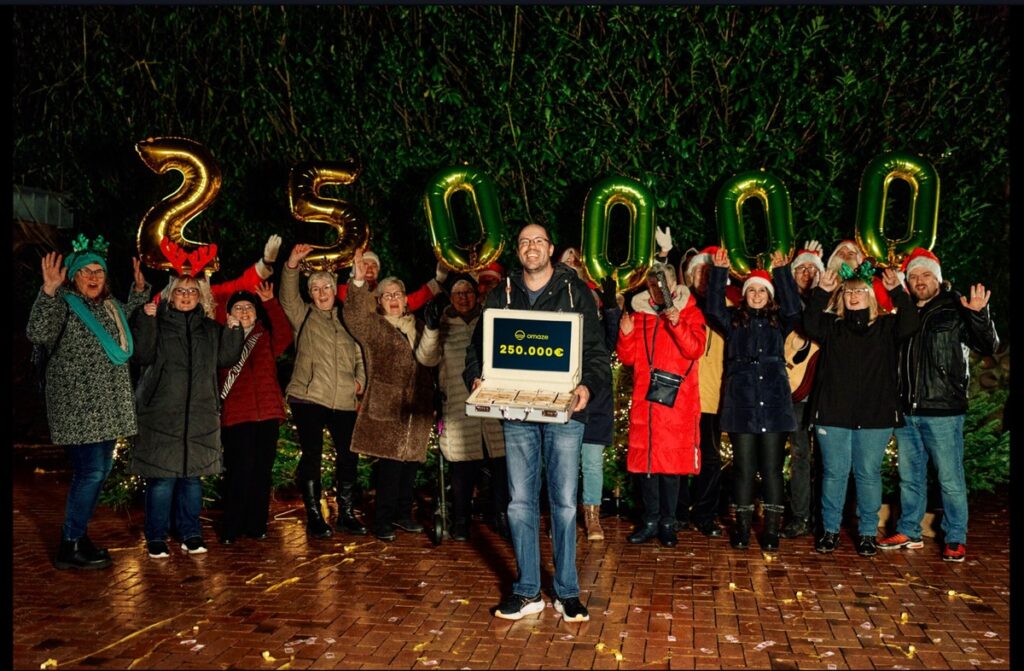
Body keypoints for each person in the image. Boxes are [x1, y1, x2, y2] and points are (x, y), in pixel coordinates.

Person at [464, 221, 610, 623]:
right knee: (519, 503)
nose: (531, 247)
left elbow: (596, 353)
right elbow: (478, 350)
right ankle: (527, 590)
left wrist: (587, 387)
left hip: (565, 411)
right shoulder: (502, 294)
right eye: (524, 241)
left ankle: (567, 592)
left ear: (550, 249)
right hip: (516, 412)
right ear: (518, 251)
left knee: (563, 504)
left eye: (538, 241)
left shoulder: (575, 292)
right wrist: (476, 378)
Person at [27, 236, 150, 569]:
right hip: (80, 409)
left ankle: (78, 537)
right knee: (91, 472)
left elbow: (128, 318)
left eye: (99, 271)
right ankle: (70, 545)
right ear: (74, 276)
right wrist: (48, 290)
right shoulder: (64, 303)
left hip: (109, 407)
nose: (94, 277)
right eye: (86, 271)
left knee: (100, 471)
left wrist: (140, 291)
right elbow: (38, 332)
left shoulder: (110, 306)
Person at [878, 248, 999, 562]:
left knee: (949, 478)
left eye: (926, 275)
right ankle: (909, 530)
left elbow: (988, 345)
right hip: (907, 411)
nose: (920, 281)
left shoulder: (956, 308)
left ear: (938, 279)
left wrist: (979, 315)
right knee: (909, 477)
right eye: (914, 276)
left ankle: (955, 537)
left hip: (943, 410)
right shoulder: (903, 312)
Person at [802, 260, 919, 557]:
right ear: (842, 298)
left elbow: (911, 323)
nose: (854, 297)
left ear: (871, 296)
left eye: (860, 292)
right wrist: (821, 292)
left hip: (875, 415)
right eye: (848, 292)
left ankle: (867, 533)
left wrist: (897, 291)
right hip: (833, 413)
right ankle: (830, 531)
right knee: (834, 474)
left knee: (867, 474)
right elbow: (809, 323)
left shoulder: (887, 327)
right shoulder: (832, 326)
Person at [131, 272, 244, 558]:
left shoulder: (209, 329)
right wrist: (145, 320)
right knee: (162, 479)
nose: (186, 296)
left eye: (192, 291)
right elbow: (142, 355)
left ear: (200, 297)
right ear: (170, 296)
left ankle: (191, 533)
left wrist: (233, 332)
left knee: (192, 480)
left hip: (199, 416)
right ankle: (156, 536)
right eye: (180, 291)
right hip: (161, 415)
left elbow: (226, 359)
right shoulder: (158, 322)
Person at [705, 249, 801, 552]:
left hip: (773, 405)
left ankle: (771, 530)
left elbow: (794, 309)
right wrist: (719, 273)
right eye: (752, 290)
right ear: (744, 295)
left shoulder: (779, 321)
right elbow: (713, 309)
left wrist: (782, 273)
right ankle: (743, 529)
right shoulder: (733, 321)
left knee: (772, 469)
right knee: (743, 468)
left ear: (769, 295)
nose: (757, 295)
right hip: (742, 405)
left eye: (762, 290)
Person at [344, 249, 438, 540]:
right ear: (379, 302)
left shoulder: (418, 326)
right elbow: (353, 316)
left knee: (410, 463)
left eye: (398, 294)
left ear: (406, 299)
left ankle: (402, 514)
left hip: (417, 405)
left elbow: (431, 359)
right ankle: (382, 519)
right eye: (387, 295)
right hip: (388, 404)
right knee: (391, 466)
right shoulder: (374, 326)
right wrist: (357, 281)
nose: (394, 299)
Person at [280, 244, 368, 539]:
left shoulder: (347, 318)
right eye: (315, 288)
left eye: (326, 287)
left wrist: (360, 381)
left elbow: (360, 353)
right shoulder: (302, 315)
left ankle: (346, 514)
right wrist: (292, 264)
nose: (321, 292)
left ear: (334, 289)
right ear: (310, 293)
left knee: (349, 455)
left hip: (343, 397)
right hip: (308, 396)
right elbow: (287, 296)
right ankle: (315, 517)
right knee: (312, 454)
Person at [617, 262, 705, 547]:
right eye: (654, 284)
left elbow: (695, 349)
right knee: (647, 465)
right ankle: (650, 521)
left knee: (671, 466)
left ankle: (668, 522)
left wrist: (677, 323)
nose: (658, 288)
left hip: (677, 402)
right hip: (646, 401)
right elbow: (628, 358)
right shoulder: (640, 314)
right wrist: (625, 334)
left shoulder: (690, 312)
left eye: (663, 283)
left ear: (673, 284)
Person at [419, 275, 509, 541]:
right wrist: (431, 328)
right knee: (463, 466)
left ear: (476, 294)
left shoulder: (489, 317)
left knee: (501, 462)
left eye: (468, 291)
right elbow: (426, 358)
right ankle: (461, 520)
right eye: (458, 292)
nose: (464, 297)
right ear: (450, 296)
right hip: (459, 405)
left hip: (493, 403)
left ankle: (502, 516)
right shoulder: (443, 322)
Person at [217, 283, 293, 544]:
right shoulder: (222, 338)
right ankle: (231, 527)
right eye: (238, 308)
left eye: (249, 307)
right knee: (238, 471)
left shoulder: (265, 337)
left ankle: (256, 525)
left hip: (267, 414)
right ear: (229, 314)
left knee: (262, 471)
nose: (244, 312)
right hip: (238, 415)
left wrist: (270, 302)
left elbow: (285, 334)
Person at [674, 246, 741, 538]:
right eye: (699, 271)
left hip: (712, 395)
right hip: (682, 395)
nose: (703, 277)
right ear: (689, 275)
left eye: (709, 273)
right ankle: (677, 513)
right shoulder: (680, 304)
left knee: (710, 459)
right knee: (678, 455)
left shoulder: (730, 307)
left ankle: (705, 514)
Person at [558, 247, 621, 542]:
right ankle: (563, 516)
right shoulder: (555, 302)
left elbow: (611, 341)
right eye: (567, 260)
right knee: (563, 462)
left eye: (577, 260)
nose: (572, 264)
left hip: (596, 398)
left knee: (592, 461)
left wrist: (610, 307)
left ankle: (592, 516)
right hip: (565, 395)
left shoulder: (595, 308)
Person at [781, 241, 826, 539]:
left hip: (826, 395)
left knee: (827, 460)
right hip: (796, 394)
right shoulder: (784, 305)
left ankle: (824, 517)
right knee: (799, 456)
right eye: (801, 269)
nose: (807, 274)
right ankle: (799, 517)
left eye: (813, 268)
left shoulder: (831, 303)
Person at [152, 234, 283, 322]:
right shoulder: (162, 300)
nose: (189, 284)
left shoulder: (214, 297)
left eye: (196, 277)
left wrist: (266, 263)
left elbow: (243, 285)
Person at [336, 249, 445, 311]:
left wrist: (438, 281)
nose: (369, 269)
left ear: (378, 271)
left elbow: (410, 302)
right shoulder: (343, 291)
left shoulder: (383, 293)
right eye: (365, 264)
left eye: (374, 265)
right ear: (356, 269)